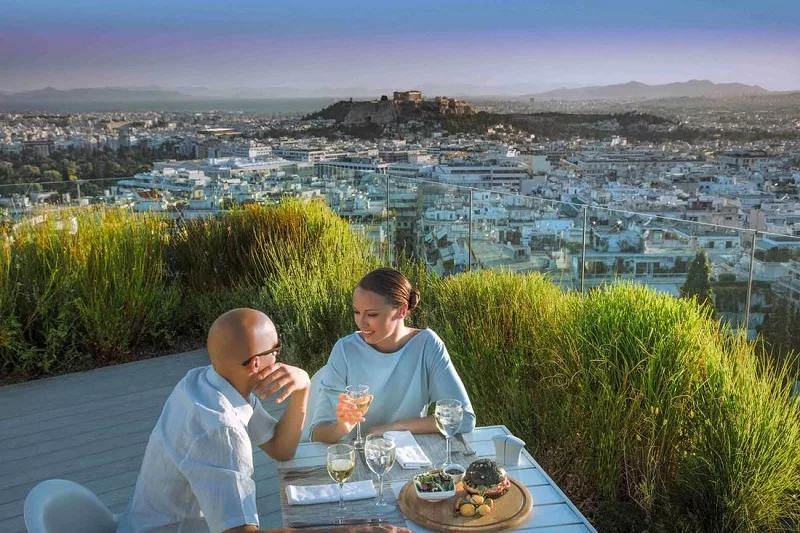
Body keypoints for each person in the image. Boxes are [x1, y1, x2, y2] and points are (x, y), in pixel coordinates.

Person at [117, 308, 310, 533]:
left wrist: (303, 387)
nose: (278, 356)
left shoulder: (204, 381)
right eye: (276, 349)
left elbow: (281, 449)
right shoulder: (221, 429)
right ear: (256, 363)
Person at [310, 268, 476, 444]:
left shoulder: (427, 345)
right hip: (354, 460)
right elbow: (317, 433)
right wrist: (342, 427)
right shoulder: (345, 350)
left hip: (409, 456)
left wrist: (393, 427)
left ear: (402, 311)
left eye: (372, 314)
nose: (361, 322)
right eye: (357, 312)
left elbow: (463, 418)